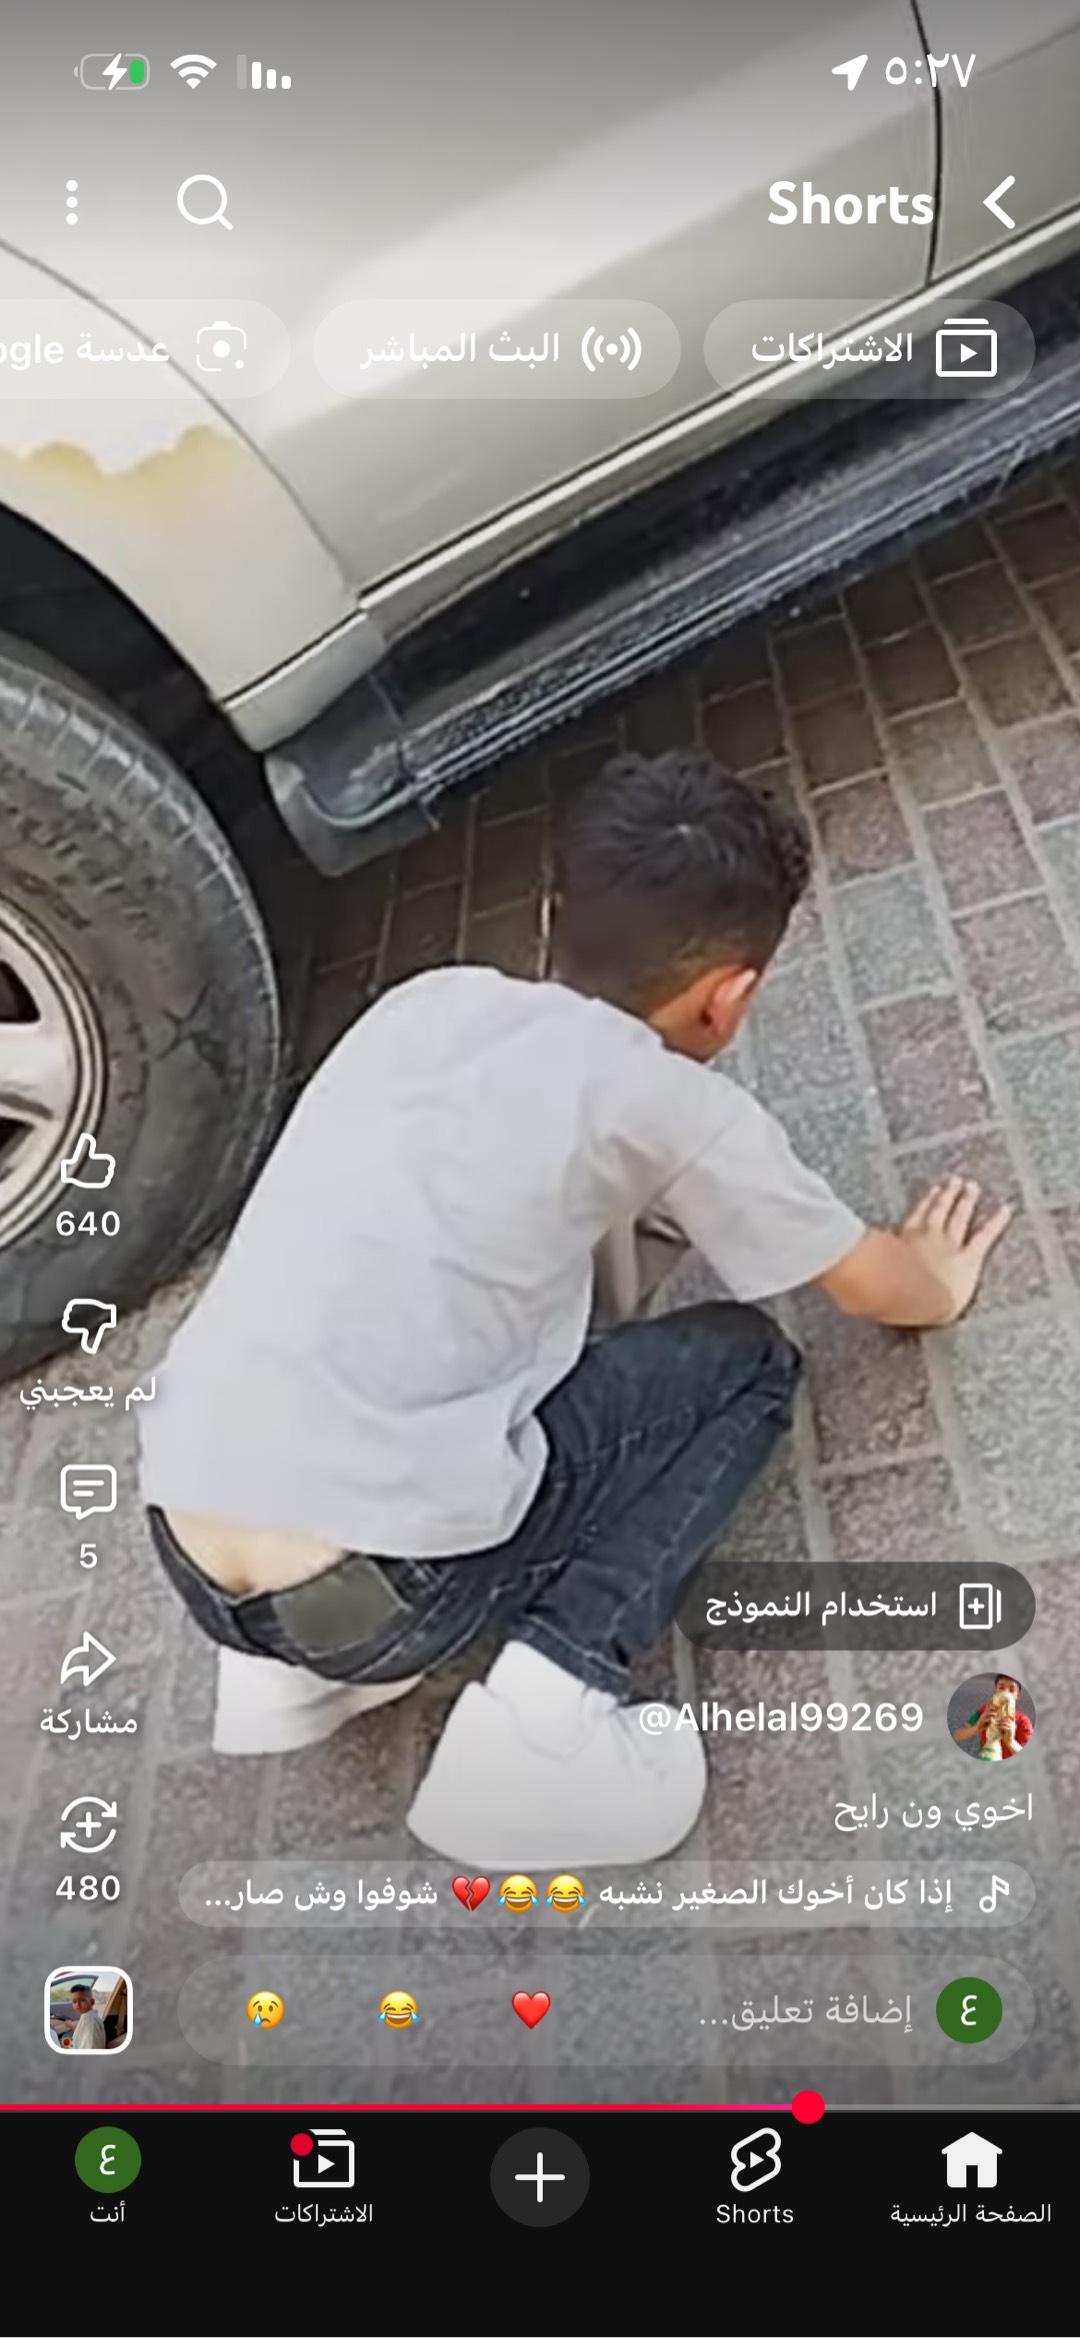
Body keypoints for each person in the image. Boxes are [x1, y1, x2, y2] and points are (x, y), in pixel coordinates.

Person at [138, 749, 1011, 1864]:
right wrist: (936, 1275)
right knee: (747, 1365)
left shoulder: (429, 1001)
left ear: (554, 914)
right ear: (731, 995)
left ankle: (295, 1677)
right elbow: (881, 1288)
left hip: (188, 1542)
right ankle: (544, 1724)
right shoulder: (671, 1103)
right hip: (382, 1589)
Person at [953, 1674, 1032, 1760]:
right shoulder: (984, 1712)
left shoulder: (1023, 1721)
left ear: (1017, 1696)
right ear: (995, 1691)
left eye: (1011, 1690)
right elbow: (957, 1736)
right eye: (1001, 1688)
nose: (1005, 1693)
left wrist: (1011, 1742)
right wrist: (976, 1728)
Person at [67, 1983, 107, 2050]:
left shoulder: (89, 2018)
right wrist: (70, 2024)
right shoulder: (91, 2016)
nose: (77, 2005)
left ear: (92, 2002)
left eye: (82, 2000)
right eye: (74, 2001)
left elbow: (90, 2047)